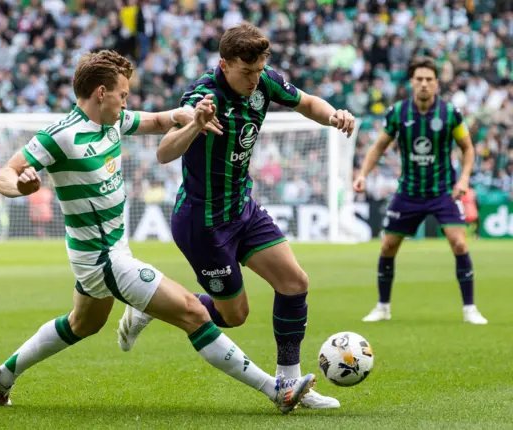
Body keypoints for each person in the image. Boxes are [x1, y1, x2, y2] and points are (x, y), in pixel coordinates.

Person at [0, 50, 315, 413]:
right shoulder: (61, 136)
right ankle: (276, 389)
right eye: (122, 95)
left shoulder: (113, 122)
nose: (126, 102)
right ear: (101, 93)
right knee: (193, 312)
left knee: (82, 323)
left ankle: (2, 376)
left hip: (104, 253)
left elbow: (156, 120)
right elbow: (3, 177)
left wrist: (186, 115)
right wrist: (24, 186)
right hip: (104, 260)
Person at [116, 23, 355, 409]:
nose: (254, 80)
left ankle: (289, 385)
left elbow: (308, 101)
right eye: (247, 72)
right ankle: (155, 304)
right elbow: (163, 152)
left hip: (242, 209)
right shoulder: (202, 96)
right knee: (235, 316)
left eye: (259, 71)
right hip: (203, 222)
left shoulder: (264, 83)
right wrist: (194, 123)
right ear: (224, 64)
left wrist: (334, 115)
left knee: (294, 282)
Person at [352, 56, 488, 325]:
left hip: (443, 192)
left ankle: (470, 308)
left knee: (459, 243)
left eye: (429, 79)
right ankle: (383, 306)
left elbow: (468, 148)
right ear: (412, 83)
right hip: (409, 192)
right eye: (419, 79)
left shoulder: (450, 113)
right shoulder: (398, 113)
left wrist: (463, 180)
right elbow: (379, 146)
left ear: (436, 82)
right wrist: (363, 174)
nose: (424, 84)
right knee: (388, 245)